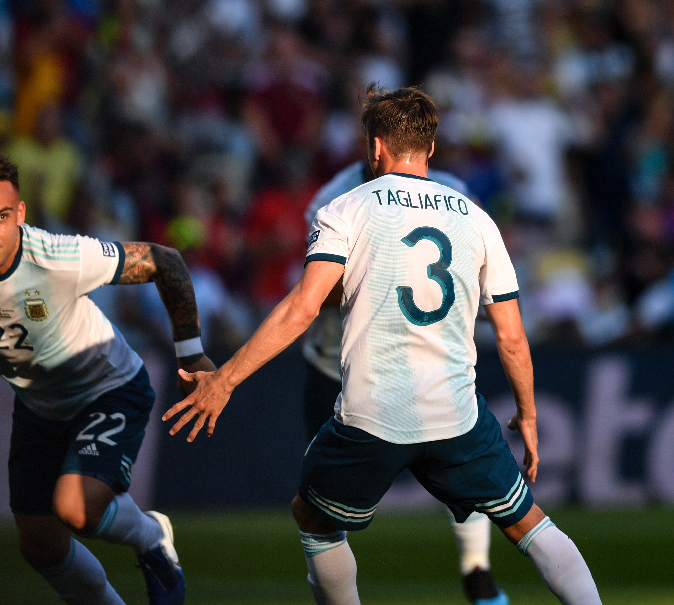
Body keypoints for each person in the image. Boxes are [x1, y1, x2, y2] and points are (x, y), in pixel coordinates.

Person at [163, 85, 602, 605]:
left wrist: (225, 380)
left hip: (373, 413)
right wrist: (527, 414)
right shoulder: (475, 216)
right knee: (527, 521)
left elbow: (303, 308)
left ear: (374, 147)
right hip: (455, 414)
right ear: (430, 147)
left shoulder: (343, 207)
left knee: (312, 515)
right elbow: (510, 335)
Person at [0, 151, 215, 605]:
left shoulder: (57, 256)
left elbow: (166, 261)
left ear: (20, 214)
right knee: (40, 546)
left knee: (76, 508)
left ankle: (151, 536)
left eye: (0, 217)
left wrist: (192, 354)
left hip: (109, 388)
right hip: (38, 406)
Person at [302, 159, 509, 605]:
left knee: (464, 473)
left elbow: (479, 266)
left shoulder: (453, 190)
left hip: (426, 361)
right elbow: (318, 290)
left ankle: (476, 568)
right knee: (324, 502)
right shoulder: (335, 197)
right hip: (340, 365)